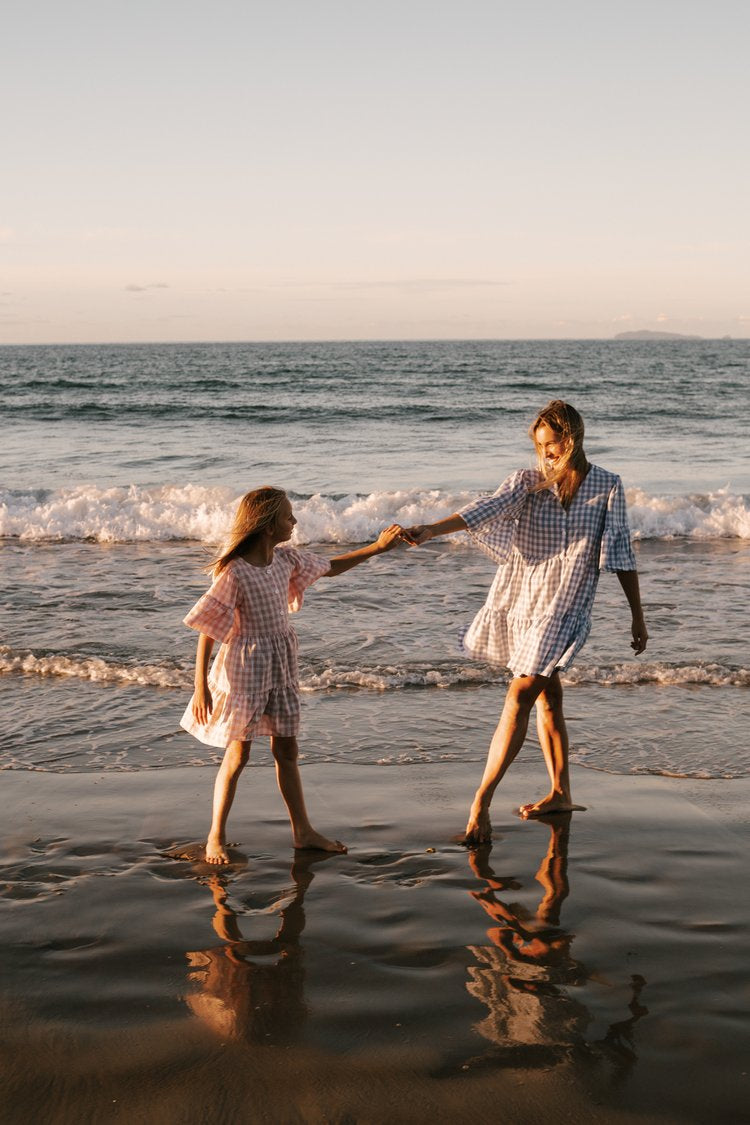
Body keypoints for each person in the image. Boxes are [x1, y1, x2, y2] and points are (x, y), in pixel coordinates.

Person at [404, 400, 647, 845]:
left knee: (520, 695)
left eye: (552, 446)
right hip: (523, 598)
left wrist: (637, 615)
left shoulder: (608, 486)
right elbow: (485, 509)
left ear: (572, 439)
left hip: (567, 602)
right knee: (547, 697)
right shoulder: (527, 483)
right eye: (541, 448)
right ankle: (560, 792)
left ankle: (480, 802)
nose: (546, 455)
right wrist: (432, 530)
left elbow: (621, 553)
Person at [180, 486, 407, 863]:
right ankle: (214, 836)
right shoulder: (234, 572)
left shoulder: (285, 559)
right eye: (288, 516)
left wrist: (376, 549)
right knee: (238, 755)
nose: (295, 521)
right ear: (269, 526)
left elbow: (330, 567)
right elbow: (208, 628)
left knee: (287, 749)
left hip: (281, 664)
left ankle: (302, 831)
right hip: (245, 668)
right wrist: (200, 686)